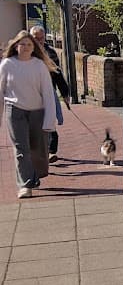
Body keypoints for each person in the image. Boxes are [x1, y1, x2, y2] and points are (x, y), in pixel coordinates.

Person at [0, 30, 57, 198]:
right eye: (22, 44)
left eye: (29, 44)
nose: (25, 47)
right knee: (21, 148)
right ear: (16, 46)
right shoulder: (7, 64)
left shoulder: (39, 66)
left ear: (34, 48)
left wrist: (49, 121)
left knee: (38, 150)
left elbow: (48, 94)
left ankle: (33, 176)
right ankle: (25, 185)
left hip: (37, 112)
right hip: (14, 110)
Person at [29, 25, 71, 161]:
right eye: (36, 38)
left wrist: (65, 94)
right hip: (30, 95)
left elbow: (58, 74)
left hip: (48, 93)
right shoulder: (25, 52)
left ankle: (51, 151)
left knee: (49, 120)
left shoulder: (50, 52)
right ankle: (39, 151)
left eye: (41, 38)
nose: (39, 41)